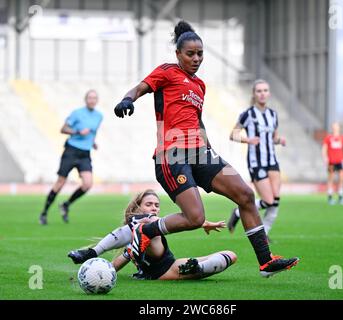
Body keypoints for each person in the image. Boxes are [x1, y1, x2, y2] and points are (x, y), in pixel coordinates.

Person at [113, 20, 299, 278]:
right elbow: (141, 87)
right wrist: (126, 99)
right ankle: (146, 230)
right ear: (178, 54)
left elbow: (197, 120)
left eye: (200, 53)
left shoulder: (200, 86)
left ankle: (265, 261)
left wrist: (210, 149)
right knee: (195, 218)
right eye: (190, 53)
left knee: (245, 194)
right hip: (172, 154)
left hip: (201, 153)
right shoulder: (166, 71)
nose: (196, 58)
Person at [68, 190, 236, 280]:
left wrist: (203, 223)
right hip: (165, 271)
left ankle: (197, 268)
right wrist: (101, 274)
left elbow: (164, 221)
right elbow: (113, 268)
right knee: (145, 226)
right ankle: (94, 252)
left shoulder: (144, 226)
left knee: (231, 255)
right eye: (149, 204)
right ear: (137, 207)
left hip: (172, 266)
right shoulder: (137, 228)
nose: (154, 207)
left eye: (157, 205)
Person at [227, 79, 285, 241]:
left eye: (265, 90)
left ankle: (264, 234)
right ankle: (238, 212)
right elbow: (233, 134)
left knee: (276, 201)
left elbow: (274, 137)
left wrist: (280, 141)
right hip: (256, 162)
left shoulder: (273, 115)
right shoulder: (248, 114)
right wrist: (248, 140)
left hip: (272, 161)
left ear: (269, 93)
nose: (262, 93)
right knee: (267, 201)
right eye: (259, 91)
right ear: (254, 94)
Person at [39, 90, 103, 225]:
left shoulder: (99, 116)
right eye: (90, 98)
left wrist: (93, 142)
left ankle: (66, 204)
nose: (92, 100)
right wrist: (77, 131)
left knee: (87, 184)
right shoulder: (77, 113)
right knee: (60, 182)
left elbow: (93, 132)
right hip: (71, 150)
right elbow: (63, 129)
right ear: (86, 100)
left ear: (97, 100)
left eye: (94, 98)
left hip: (85, 153)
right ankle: (44, 212)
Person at [322, 122, 343, 205]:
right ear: (332, 128)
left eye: (336, 127)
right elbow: (324, 149)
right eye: (333, 127)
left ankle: (341, 196)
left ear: (339, 128)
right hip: (331, 162)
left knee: (342, 178)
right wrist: (325, 158)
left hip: (340, 161)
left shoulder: (342, 138)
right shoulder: (328, 138)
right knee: (330, 178)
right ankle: (330, 197)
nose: (335, 128)